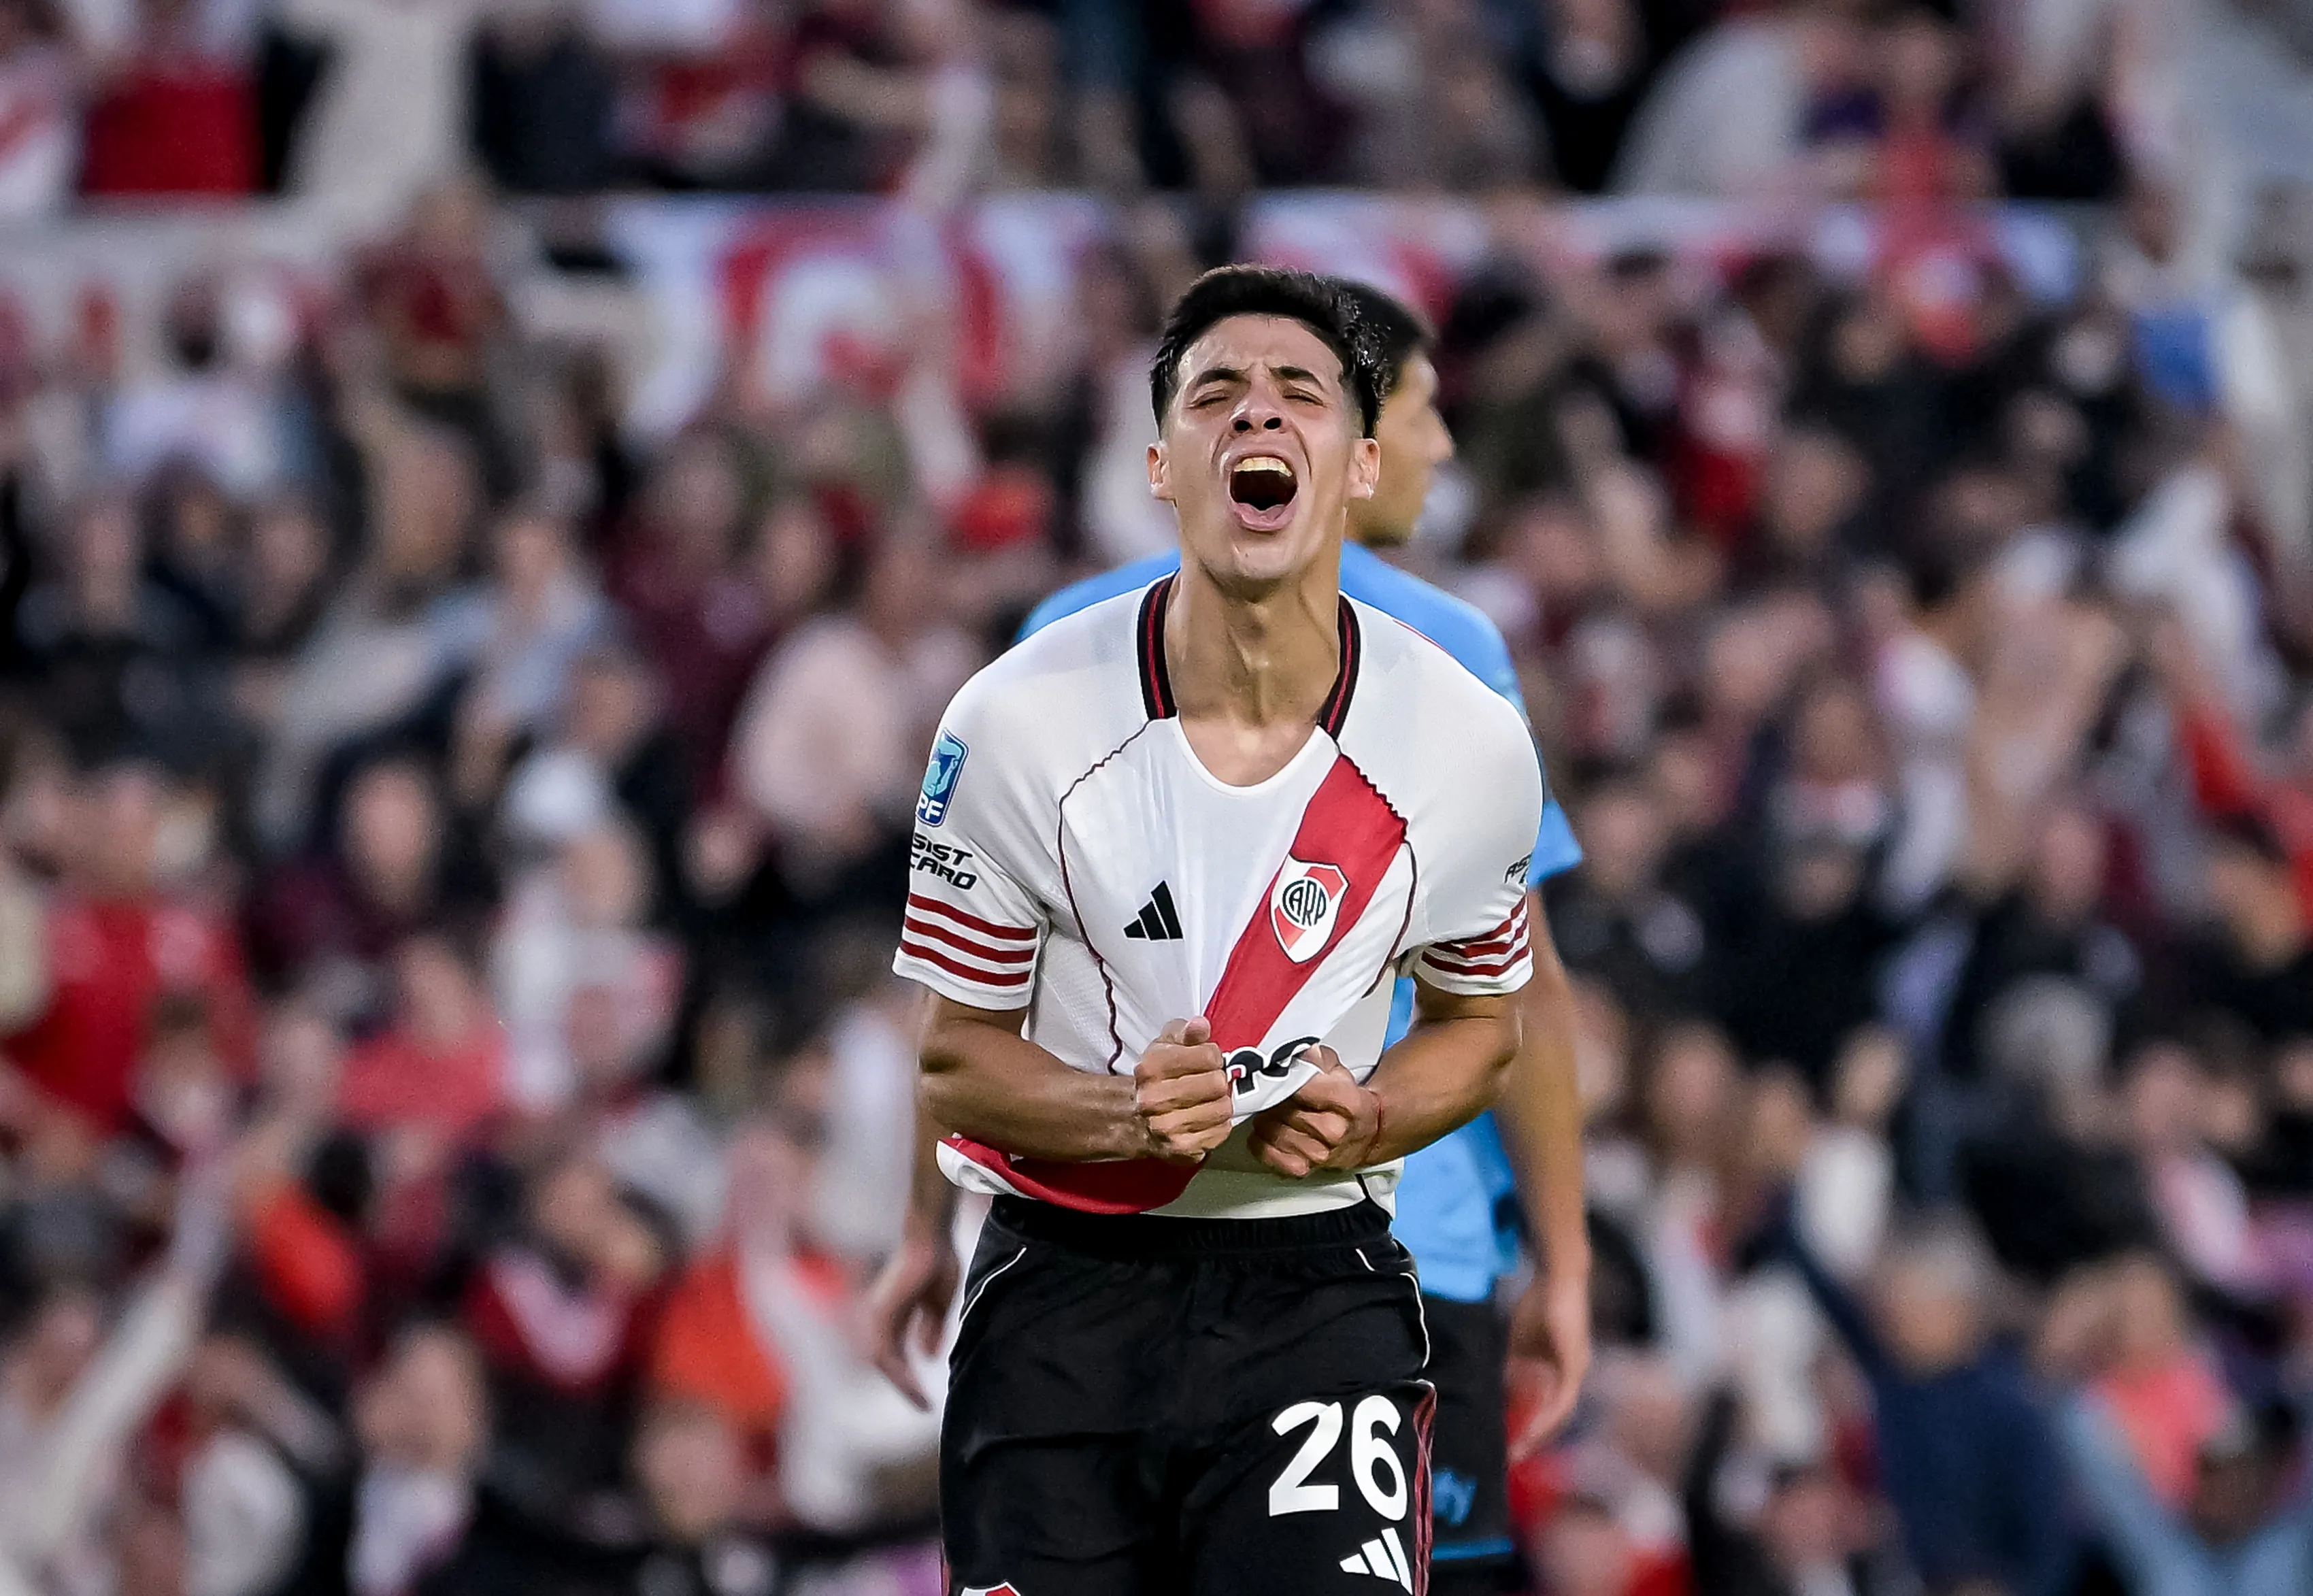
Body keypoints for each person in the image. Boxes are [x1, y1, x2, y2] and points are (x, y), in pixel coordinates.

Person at [877, 266, 1544, 1593]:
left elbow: (1481, 1029)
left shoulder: (1466, 743)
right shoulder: (1014, 722)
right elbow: (955, 1060)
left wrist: (1368, 1117)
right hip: (1062, 1292)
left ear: (1357, 465)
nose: (1255, 420)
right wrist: (1126, 1116)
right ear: (1158, 466)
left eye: (1297, 393)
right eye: (1214, 396)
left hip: (1316, 1286)